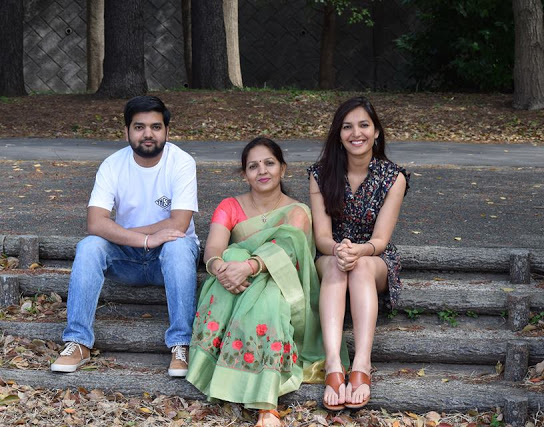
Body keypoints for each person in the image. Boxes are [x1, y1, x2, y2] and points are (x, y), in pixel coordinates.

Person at [187, 137, 348, 427]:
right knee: (238, 277)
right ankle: (249, 392)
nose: (262, 171)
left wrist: (249, 267)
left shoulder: (297, 211)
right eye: (253, 166)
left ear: (282, 169)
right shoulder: (229, 206)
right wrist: (222, 268)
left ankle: (267, 402)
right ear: (244, 174)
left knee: (269, 301)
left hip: (280, 281)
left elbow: (286, 253)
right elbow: (213, 249)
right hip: (232, 282)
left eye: (269, 163)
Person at [50, 95, 199, 377]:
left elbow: (178, 224)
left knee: (178, 245)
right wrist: (143, 240)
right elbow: (95, 223)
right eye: (139, 126)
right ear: (127, 131)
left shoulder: (181, 162)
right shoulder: (112, 165)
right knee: (90, 246)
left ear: (167, 131)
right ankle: (78, 342)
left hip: (167, 255)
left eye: (156, 127)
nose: (148, 134)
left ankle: (182, 344)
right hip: (126, 257)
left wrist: (127, 234)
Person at [308, 96, 409, 410]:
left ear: (376, 131)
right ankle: (334, 366)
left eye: (364, 125)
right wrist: (340, 250)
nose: (356, 133)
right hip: (331, 255)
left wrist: (360, 251)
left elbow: (380, 238)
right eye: (347, 126)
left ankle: (362, 366)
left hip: (374, 257)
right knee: (340, 267)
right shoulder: (320, 174)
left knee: (362, 267)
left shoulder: (394, 177)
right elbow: (322, 236)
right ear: (339, 134)